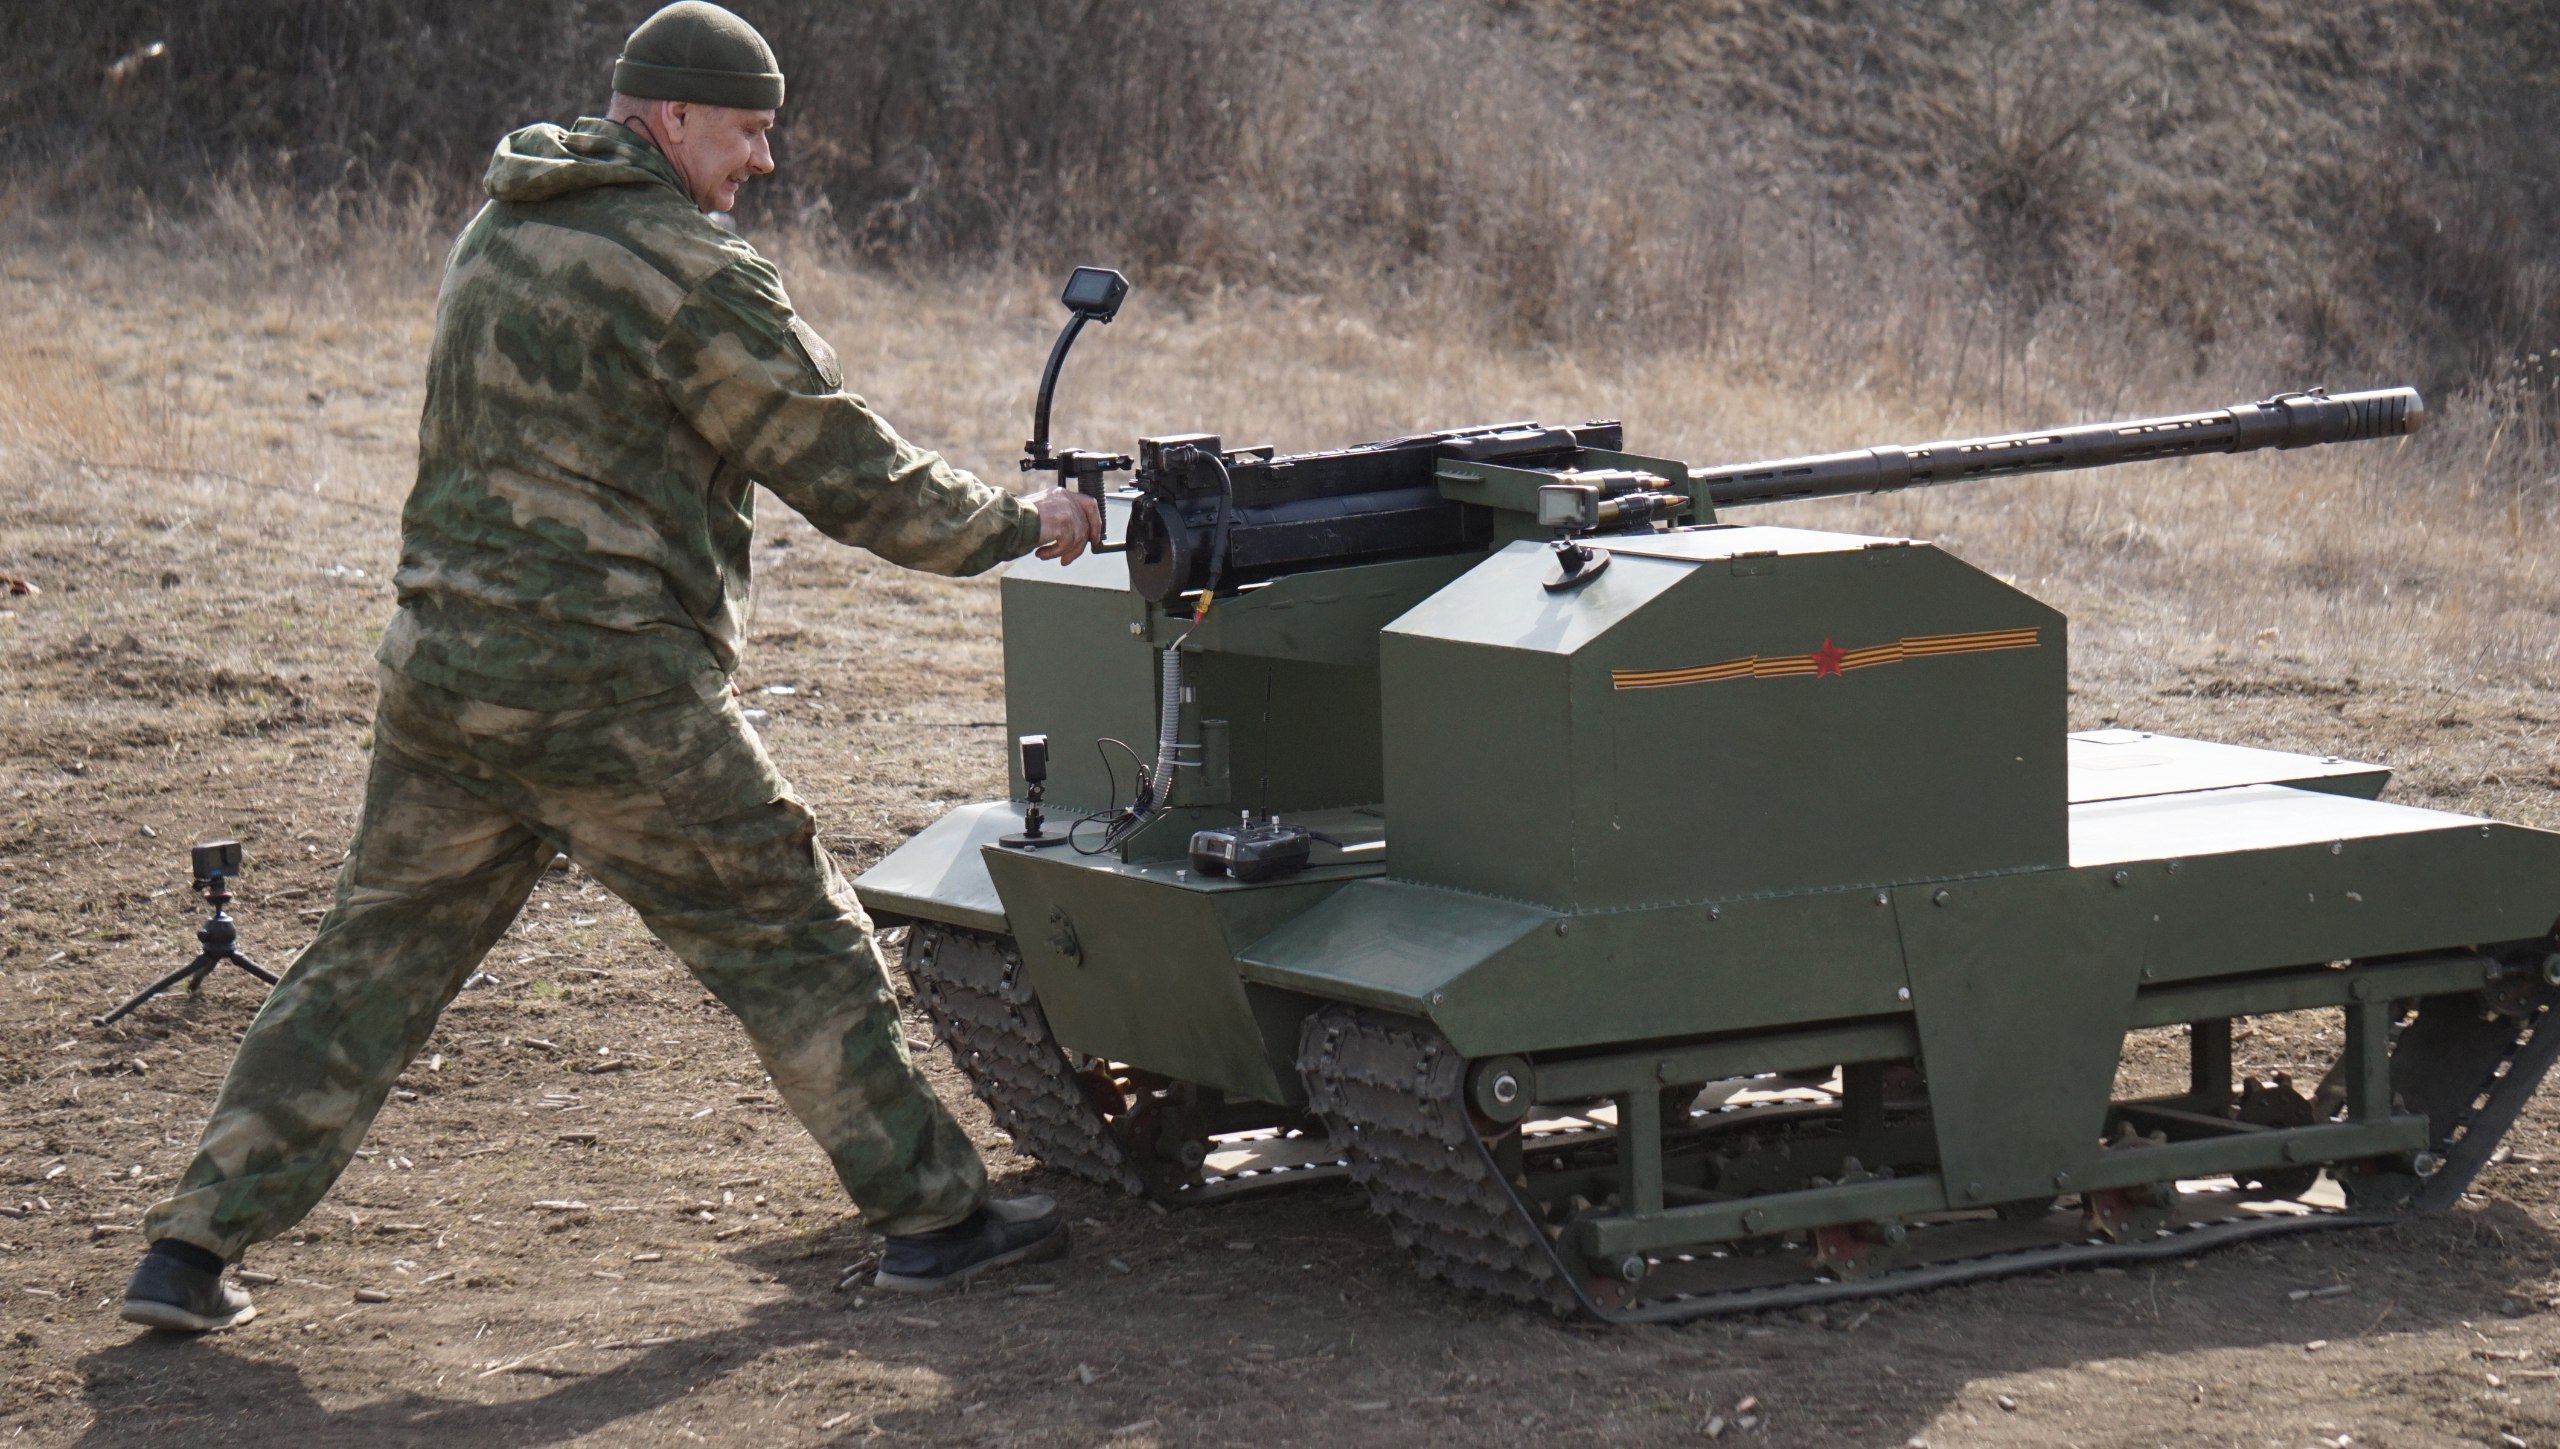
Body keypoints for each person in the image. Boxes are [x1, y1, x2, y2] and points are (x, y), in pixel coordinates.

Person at [119, 0, 1096, 1333]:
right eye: (748, 132)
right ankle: (934, 1218)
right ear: (672, 118)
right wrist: (1017, 524)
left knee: (366, 966)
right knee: (794, 936)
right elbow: (847, 468)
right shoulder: (689, 267)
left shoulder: (501, 224)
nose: (762, 162)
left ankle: (187, 1245)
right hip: (616, 695)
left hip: (446, 675)